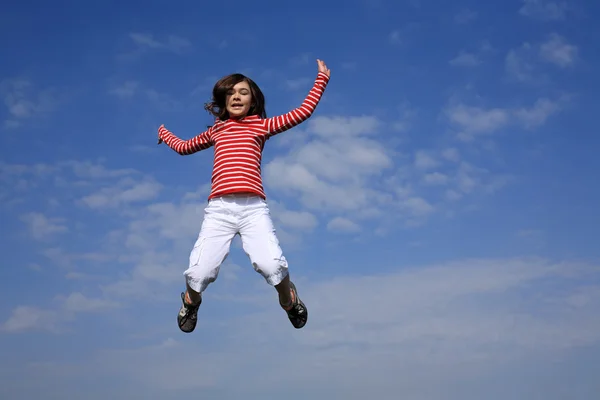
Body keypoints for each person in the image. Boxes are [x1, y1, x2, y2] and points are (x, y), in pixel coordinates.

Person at [157, 59, 331, 332]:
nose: (236, 96)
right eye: (230, 93)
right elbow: (183, 147)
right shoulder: (216, 130)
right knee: (200, 272)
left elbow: (302, 112)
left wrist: (321, 80)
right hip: (220, 210)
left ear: (253, 100)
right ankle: (191, 302)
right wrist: (164, 133)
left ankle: (288, 300)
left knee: (271, 265)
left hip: (253, 210)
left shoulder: (261, 126)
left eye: (243, 92)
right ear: (223, 100)